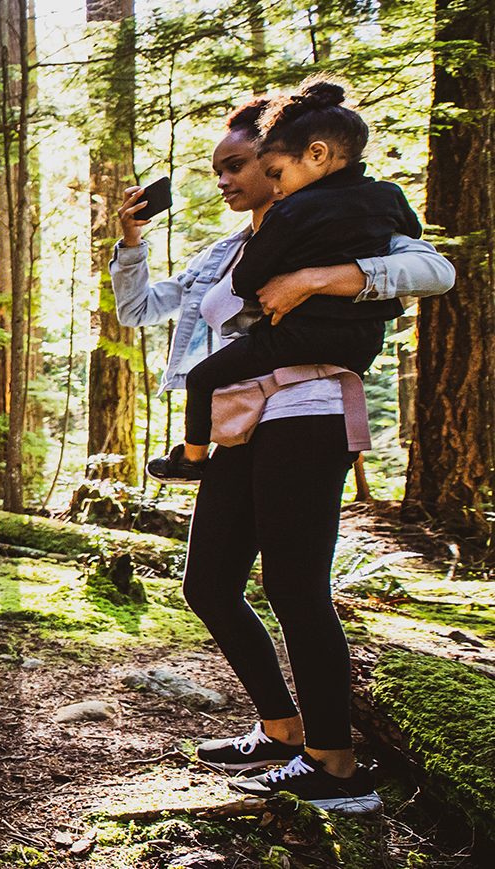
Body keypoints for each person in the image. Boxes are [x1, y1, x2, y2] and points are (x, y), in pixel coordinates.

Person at [112, 97, 454, 813]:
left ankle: (335, 765)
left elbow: (433, 270)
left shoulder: (344, 220)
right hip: (242, 418)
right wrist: (132, 242)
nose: (230, 179)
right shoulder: (227, 250)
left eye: (243, 165)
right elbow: (145, 310)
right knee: (208, 584)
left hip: (307, 410)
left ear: (289, 166)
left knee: (296, 586)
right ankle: (281, 728)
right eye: (225, 169)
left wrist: (320, 279)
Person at [149, 77, 422, 483]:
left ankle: (191, 458)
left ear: (316, 154)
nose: (276, 186)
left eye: (275, 173)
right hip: (359, 342)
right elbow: (412, 232)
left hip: (295, 345)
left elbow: (246, 279)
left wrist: (289, 278)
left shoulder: (293, 212)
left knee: (203, 376)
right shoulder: (389, 195)